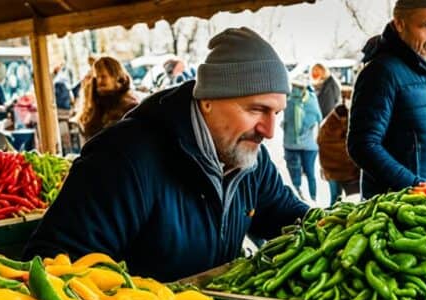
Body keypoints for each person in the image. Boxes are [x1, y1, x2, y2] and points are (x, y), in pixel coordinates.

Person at [25, 27, 309, 281]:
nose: (269, 131)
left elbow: (287, 217)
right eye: (256, 109)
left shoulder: (249, 160)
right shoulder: (123, 158)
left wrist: (346, 226)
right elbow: (55, 265)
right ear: (208, 100)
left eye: (276, 113)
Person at [348, 0, 426, 198]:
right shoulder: (381, 73)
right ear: (399, 25)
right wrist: (414, 185)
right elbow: (362, 145)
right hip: (395, 207)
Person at [78, 56, 139, 141]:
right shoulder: (96, 104)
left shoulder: (129, 106)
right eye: (97, 77)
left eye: (103, 76)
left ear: (116, 76)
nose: (99, 81)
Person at [283, 78, 323, 201]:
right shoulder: (312, 100)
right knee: (311, 173)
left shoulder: (287, 100)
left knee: (295, 174)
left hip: (290, 144)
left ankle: (298, 197)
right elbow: (319, 119)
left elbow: (285, 121)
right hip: (310, 145)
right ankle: (314, 198)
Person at [318, 102, 361, 206]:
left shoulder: (326, 128)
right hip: (349, 175)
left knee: (335, 199)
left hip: (332, 172)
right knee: (354, 201)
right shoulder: (350, 126)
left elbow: (322, 146)